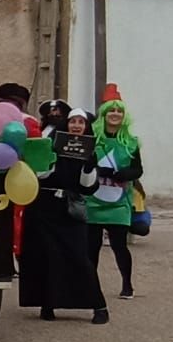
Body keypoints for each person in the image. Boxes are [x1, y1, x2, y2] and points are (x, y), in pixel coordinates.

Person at [19, 102, 108, 324]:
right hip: (43, 206)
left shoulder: (90, 150)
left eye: (80, 122)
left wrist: (88, 166)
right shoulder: (50, 143)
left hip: (69, 209)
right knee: (45, 255)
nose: (76, 126)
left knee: (78, 256)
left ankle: (98, 305)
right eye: (72, 121)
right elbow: (38, 175)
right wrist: (49, 157)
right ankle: (47, 303)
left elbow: (87, 187)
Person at [87, 89, 143, 300]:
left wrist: (123, 174)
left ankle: (127, 285)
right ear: (104, 113)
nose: (115, 114)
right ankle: (91, 286)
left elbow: (138, 170)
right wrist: (99, 170)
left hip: (119, 202)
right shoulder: (92, 139)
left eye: (119, 111)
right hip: (93, 201)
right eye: (111, 110)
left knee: (120, 246)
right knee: (91, 248)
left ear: (124, 116)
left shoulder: (132, 142)